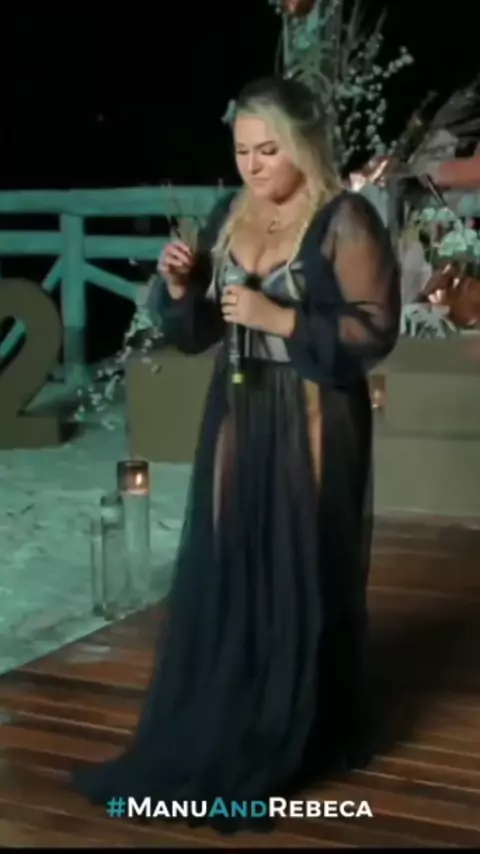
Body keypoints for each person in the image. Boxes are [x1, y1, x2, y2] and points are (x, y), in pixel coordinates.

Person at [71, 76, 401, 832]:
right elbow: (198, 333)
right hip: (240, 400)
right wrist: (180, 286)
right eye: (242, 151)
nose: (253, 166)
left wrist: (277, 317)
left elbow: (372, 330)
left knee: (302, 554)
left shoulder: (344, 219)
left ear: (304, 146)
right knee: (231, 547)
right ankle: (237, 700)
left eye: (268, 151)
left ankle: (305, 717)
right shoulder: (231, 213)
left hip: (313, 405)